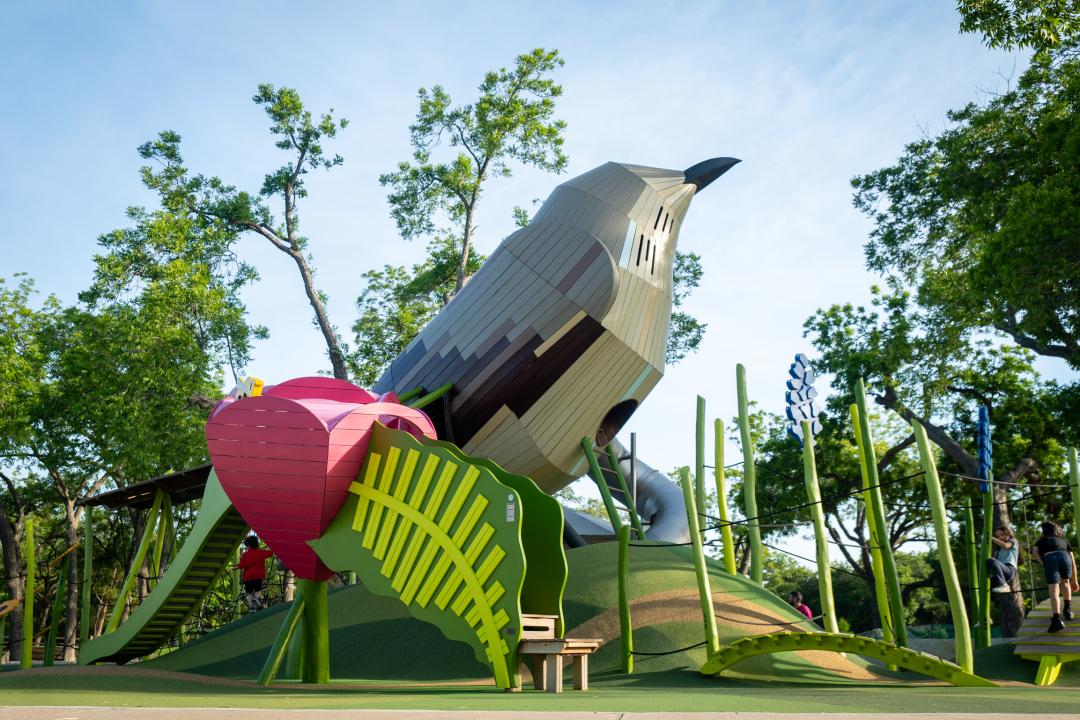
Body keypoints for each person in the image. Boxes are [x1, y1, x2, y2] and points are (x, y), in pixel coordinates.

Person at [1032, 521, 1074, 632]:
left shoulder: (1041, 541)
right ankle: (1068, 610)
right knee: (1066, 582)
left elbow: (1034, 552)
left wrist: (1043, 563)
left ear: (1044, 532)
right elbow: (1071, 558)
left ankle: (1056, 619)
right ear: (1056, 531)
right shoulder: (1064, 540)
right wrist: (1075, 579)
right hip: (1065, 557)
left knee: (1054, 588)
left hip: (1050, 558)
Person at [236, 535, 274, 612]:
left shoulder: (246, 555)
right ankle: (257, 600)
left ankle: (251, 608)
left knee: (249, 594)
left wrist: (237, 567)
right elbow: (271, 553)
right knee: (258, 591)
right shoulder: (261, 553)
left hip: (248, 577)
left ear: (248, 546)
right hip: (258, 576)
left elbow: (241, 565)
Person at [987, 525, 1018, 593]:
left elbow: (1006, 546)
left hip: (1009, 569)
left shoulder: (1013, 541)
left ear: (1008, 534)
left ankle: (1003, 585)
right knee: (986, 584)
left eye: (1002, 535)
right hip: (1001, 573)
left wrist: (992, 538)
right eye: (998, 536)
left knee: (991, 560)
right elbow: (995, 563)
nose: (1000, 537)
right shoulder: (999, 550)